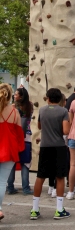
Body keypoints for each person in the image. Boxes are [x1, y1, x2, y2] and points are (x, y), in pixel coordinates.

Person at [30, 88, 70, 220]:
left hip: (45, 146)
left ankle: (35, 209)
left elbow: (40, 126)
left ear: (48, 98)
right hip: (59, 146)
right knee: (59, 177)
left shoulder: (42, 110)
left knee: (40, 177)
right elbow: (65, 130)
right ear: (60, 99)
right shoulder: (64, 111)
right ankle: (59, 209)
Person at [0, 83, 25, 221]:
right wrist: (20, 148)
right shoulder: (14, 112)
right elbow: (19, 134)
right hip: (9, 149)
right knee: (2, 182)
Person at [7, 87, 33, 195]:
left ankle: (10, 187)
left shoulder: (12, 107)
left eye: (16, 94)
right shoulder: (30, 106)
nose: (14, 95)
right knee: (25, 163)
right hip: (26, 137)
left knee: (12, 162)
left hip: (14, 137)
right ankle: (26, 188)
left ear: (20, 96)